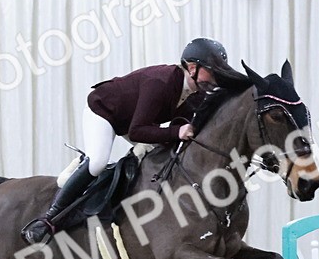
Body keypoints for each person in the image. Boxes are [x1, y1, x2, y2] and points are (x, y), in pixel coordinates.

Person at [21, 38, 245, 246]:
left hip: (136, 121)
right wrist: (177, 132)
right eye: (212, 73)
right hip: (105, 111)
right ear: (192, 68)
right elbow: (138, 132)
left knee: (156, 157)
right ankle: (48, 220)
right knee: (98, 162)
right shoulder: (162, 82)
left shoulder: (196, 95)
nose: (215, 79)